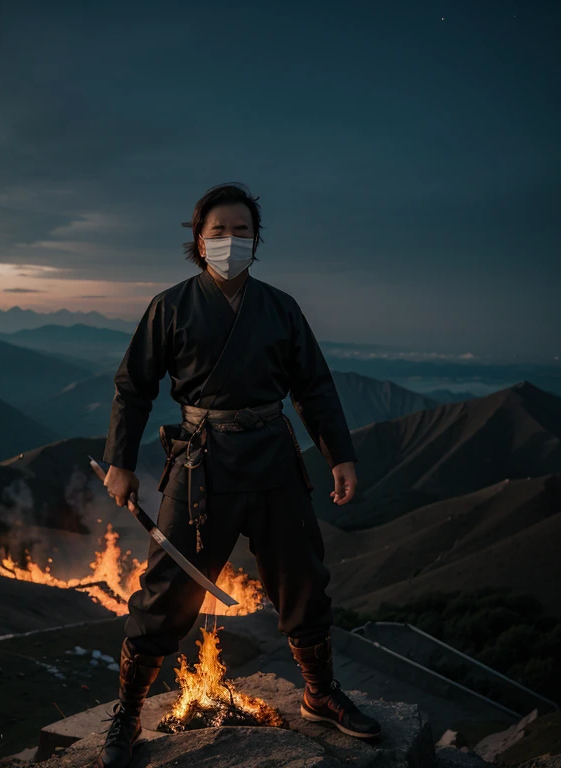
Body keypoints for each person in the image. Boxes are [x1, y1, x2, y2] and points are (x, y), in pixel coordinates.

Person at [97, 182, 381, 768]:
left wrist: (340, 455)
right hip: (201, 464)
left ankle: (319, 694)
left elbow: (314, 386)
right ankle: (126, 714)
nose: (231, 241)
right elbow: (133, 387)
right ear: (199, 241)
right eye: (218, 231)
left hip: (275, 458)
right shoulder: (170, 306)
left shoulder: (280, 308)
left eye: (242, 231)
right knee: (167, 593)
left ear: (257, 241)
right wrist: (121, 462)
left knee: (302, 576)